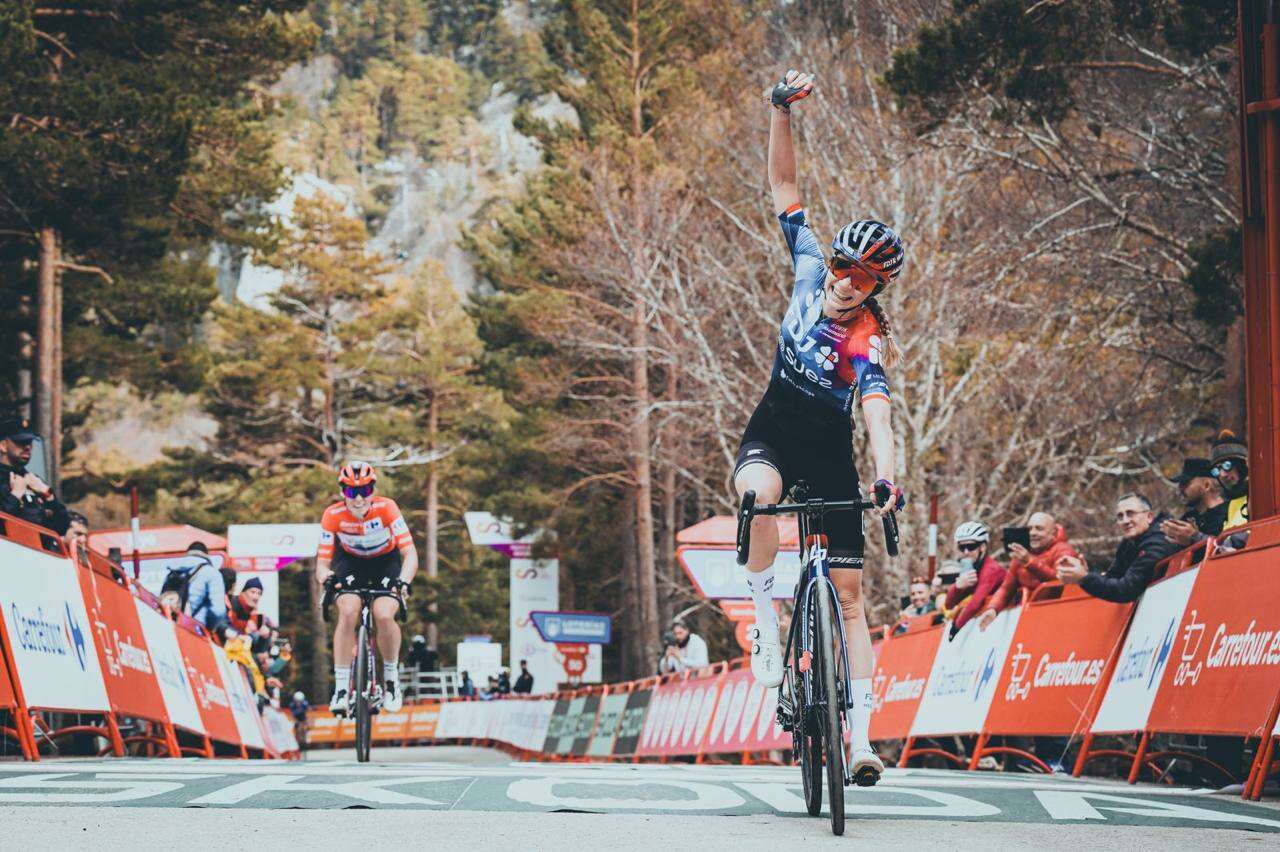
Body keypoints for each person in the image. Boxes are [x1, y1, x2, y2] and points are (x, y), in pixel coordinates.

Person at [733, 69, 907, 786]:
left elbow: (876, 411)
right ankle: (764, 623)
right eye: (842, 264)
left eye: (861, 277)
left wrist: (888, 474)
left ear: (874, 289)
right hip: (774, 427)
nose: (844, 280)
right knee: (758, 497)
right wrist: (780, 114)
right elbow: (783, 189)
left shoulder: (866, 341)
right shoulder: (807, 263)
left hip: (833, 449)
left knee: (852, 599)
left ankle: (861, 740)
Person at [315, 462, 419, 715]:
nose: (359, 498)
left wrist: (403, 580)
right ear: (343, 492)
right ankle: (341, 688)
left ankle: (391, 679)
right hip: (350, 563)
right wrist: (326, 577)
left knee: (383, 614)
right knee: (349, 611)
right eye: (352, 492)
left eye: (366, 490)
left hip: (386, 562)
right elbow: (322, 562)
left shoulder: (387, 508)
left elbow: (410, 553)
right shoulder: (333, 515)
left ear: (374, 490)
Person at [1057, 493, 1180, 603]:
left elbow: (1126, 590)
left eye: (1131, 514)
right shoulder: (1128, 543)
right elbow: (1113, 576)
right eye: (1120, 516)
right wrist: (1084, 575)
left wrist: (1085, 578)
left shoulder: (1158, 543)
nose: (1125, 521)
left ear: (1149, 517)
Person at [978, 513, 1078, 627]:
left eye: (1039, 529)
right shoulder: (1022, 554)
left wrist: (1030, 562)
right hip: (1029, 616)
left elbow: (1060, 581)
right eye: (1029, 529)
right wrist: (992, 609)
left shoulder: (1064, 550)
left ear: (1053, 533)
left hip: (1058, 616)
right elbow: (1006, 588)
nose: (1032, 533)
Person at [0, 416, 70, 535]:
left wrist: (49, 496)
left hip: (37, 551)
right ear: (3, 446)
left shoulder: (34, 481)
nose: (28, 447)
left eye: (30, 442)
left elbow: (62, 528)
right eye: (21, 442)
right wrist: (15, 496)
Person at [945, 522, 1006, 635]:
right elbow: (949, 605)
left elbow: (975, 603)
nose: (966, 552)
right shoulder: (974, 568)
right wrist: (958, 587)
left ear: (982, 547)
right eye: (962, 547)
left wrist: (955, 628)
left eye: (971, 547)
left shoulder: (991, 569)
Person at [1160, 458, 1226, 549]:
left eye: (1185, 483)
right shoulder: (1187, 518)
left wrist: (1193, 537)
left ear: (1206, 485)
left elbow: (1226, 548)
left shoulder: (1228, 514)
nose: (1180, 489)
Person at [171, 541, 228, 633]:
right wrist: (209, 628)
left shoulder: (172, 570)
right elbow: (219, 610)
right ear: (206, 555)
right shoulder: (211, 573)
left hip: (171, 627)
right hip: (196, 631)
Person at [1211, 430, 1248, 531]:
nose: (1222, 475)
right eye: (1217, 470)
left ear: (1242, 466)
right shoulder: (1229, 506)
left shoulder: (1262, 495)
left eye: (1227, 466)